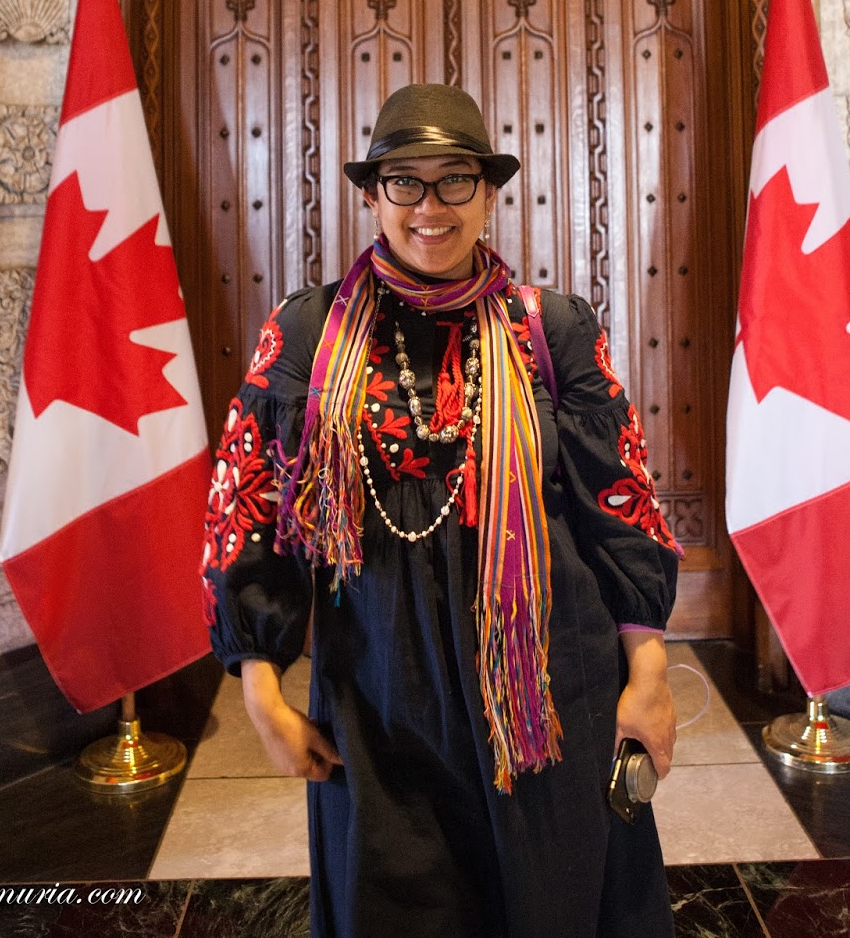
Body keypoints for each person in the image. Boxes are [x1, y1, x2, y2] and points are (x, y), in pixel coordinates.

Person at [202, 84, 680, 938]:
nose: (431, 207)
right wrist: (262, 693)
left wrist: (648, 677)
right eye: (404, 181)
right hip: (382, 695)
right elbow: (249, 510)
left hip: (547, 693)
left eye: (455, 179)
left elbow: (622, 507)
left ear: (489, 193)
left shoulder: (555, 329)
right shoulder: (306, 335)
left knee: (556, 903)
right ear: (371, 194)